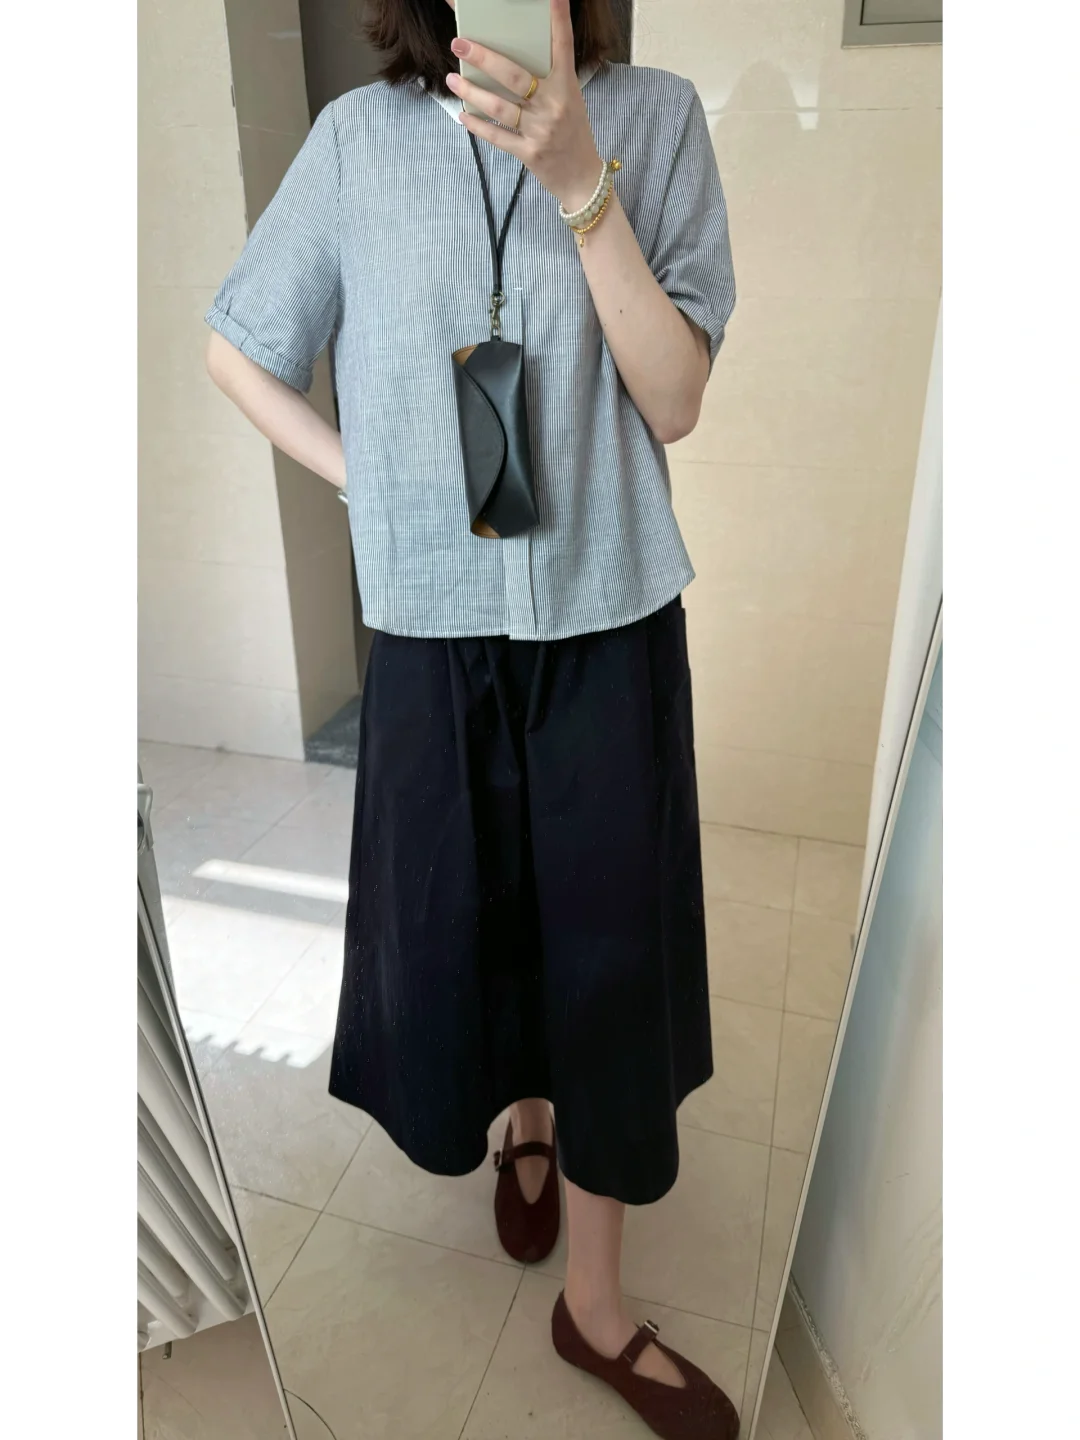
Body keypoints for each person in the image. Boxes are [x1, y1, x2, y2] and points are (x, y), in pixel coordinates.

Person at [206, 0, 736, 1433]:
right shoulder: (357, 140)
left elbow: (675, 400)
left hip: (607, 615)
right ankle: (523, 1125)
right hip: (434, 625)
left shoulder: (656, 120)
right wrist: (362, 478)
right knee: (472, 923)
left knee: (611, 956)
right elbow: (238, 346)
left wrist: (576, 183)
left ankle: (595, 1306)